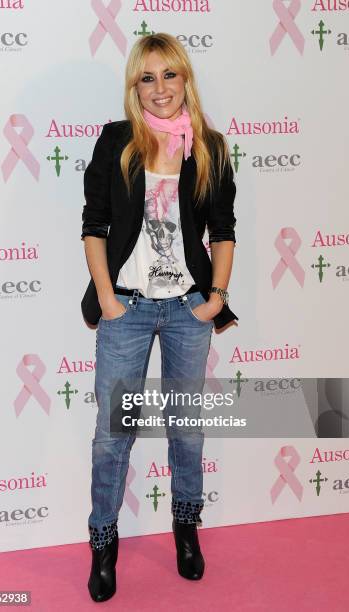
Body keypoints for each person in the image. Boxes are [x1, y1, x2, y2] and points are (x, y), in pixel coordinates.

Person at [81, 32, 238, 603]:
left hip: (186, 312)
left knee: (187, 431)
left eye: (169, 75)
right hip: (125, 308)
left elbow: (223, 230)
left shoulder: (210, 149)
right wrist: (106, 296)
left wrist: (215, 297)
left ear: (185, 79)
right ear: (134, 86)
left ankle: (186, 529)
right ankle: (103, 543)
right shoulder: (117, 142)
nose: (160, 88)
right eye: (147, 77)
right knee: (112, 436)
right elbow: (94, 225)